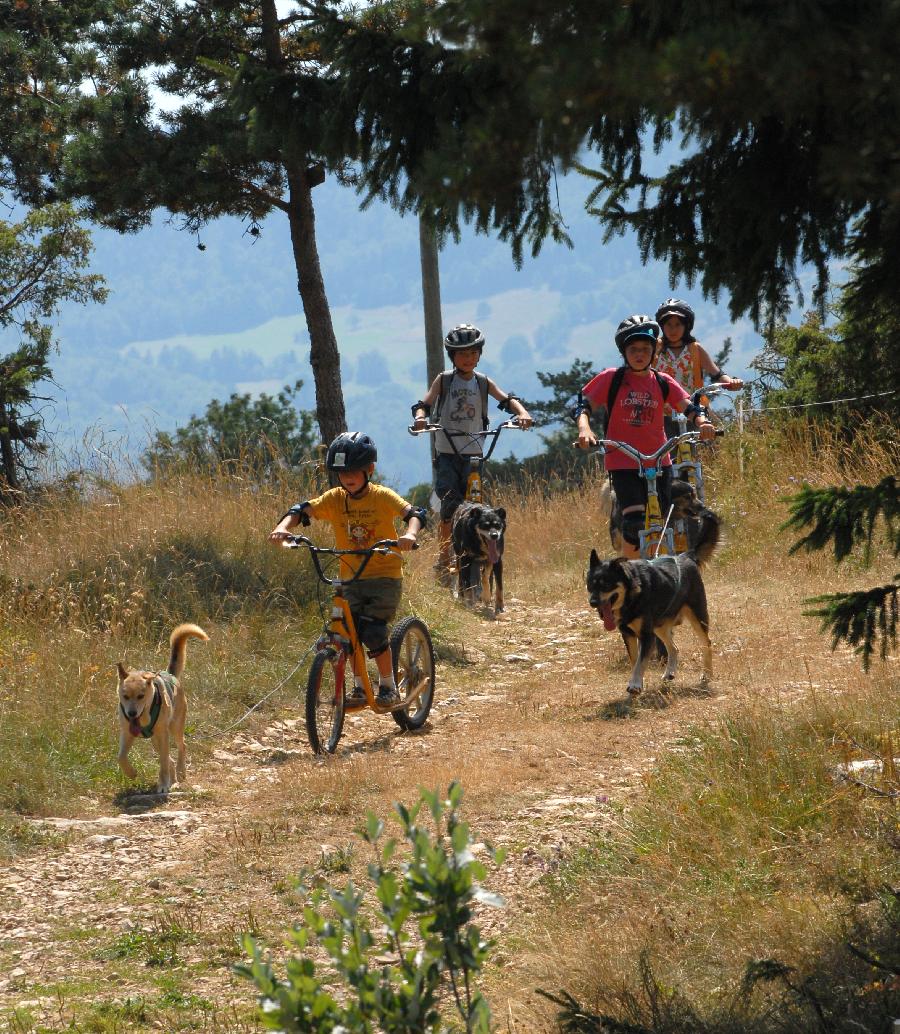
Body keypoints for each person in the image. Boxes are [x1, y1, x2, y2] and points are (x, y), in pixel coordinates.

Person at [268, 431, 425, 706]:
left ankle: (388, 686)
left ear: (370, 470)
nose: (347, 477)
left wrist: (410, 535)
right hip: (349, 577)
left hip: (384, 576)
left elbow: (414, 514)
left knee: (373, 632)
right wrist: (283, 527)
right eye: (341, 473)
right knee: (345, 633)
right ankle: (359, 687)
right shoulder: (334, 499)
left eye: (353, 471)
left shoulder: (382, 497)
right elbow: (302, 510)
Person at [574, 314, 716, 559]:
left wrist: (703, 422)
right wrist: (584, 429)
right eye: (633, 349)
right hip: (623, 462)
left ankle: (659, 569)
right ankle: (634, 570)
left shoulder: (662, 381)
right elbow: (582, 406)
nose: (639, 354)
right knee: (634, 521)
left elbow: (689, 407)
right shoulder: (612, 378)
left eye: (645, 349)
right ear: (624, 352)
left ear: (653, 352)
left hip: (660, 461)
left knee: (662, 520)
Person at [410, 323, 533, 584]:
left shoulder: (483, 381)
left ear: (479, 354)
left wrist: (521, 413)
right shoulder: (444, 380)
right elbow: (424, 403)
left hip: (475, 453)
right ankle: (444, 559)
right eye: (461, 354)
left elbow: (506, 399)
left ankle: (477, 555)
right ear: (452, 356)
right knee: (448, 506)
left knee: (475, 506)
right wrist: (421, 419)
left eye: (472, 353)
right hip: (447, 452)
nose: (468, 358)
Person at [654, 298, 744, 437]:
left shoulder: (695, 349)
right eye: (668, 324)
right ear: (662, 326)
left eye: (678, 324)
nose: (673, 329)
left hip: (694, 412)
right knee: (664, 456)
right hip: (661, 414)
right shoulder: (655, 349)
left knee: (697, 452)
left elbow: (716, 373)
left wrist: (731, 382)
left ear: (686, 326)